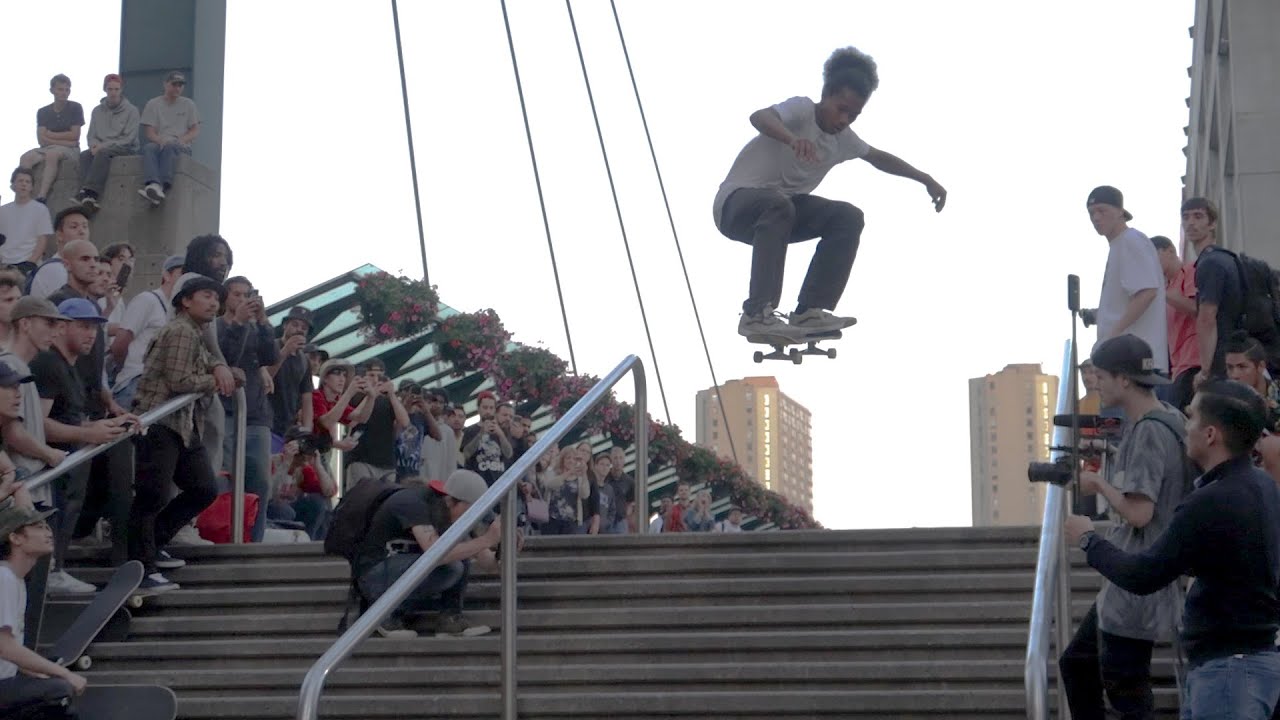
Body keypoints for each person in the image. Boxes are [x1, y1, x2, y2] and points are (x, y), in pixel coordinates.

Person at [1065, 379, 1280, 719]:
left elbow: (1142, 576)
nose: (1184, 426)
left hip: (1228, 674)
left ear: (1210, 434)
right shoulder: (1262, 485)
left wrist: (1088, 540)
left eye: (1190, 417)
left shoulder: (1210, 500)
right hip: (1247, 665)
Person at [713, 46, 946, 340]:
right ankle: (757, 314)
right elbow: (759, 117)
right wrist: (791, 138)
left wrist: (925, 179)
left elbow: (878, 158)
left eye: (854, 115)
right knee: (779, 204)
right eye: (841, 109)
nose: (845, 120)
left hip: (779, 217)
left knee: (847, 217)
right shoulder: (801, 110)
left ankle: (810, 311)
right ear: (826, 96)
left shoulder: (843, 141)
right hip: (734, 205)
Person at [1057, 334, 1192, 720]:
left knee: (1126, 689)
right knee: (1078, 663)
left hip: (1137, 575)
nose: (1094, 383)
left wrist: (1099, 485)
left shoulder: (1149, 429)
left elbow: (1140, 513)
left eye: (1100, 376)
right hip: (1141, 573)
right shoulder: (1169, 416)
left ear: (1124, 379)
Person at [353, 470, 499, 638]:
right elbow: (435, 554)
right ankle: (384, 614)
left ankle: (450, 619)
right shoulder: (413, 502)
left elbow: (488, 563)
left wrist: (503, 548)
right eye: (470, 510)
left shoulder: (448, 512)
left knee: (460, 552)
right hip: (373, 573)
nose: (472, 518)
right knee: (453, 561)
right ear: (451, 501)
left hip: (400, 570)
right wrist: (486, 540)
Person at [0, 502, 87, 716]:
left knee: (62, 700)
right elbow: (4, 647)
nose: (48, 532)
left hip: (6, 680)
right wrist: (64, 674)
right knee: (58, 691)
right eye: (38, 527)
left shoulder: (16, 580)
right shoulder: (4, 578)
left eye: (47, 527)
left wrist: (41, 671)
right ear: (15, 538)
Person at [138, 71, 200, 206]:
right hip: (160, 142)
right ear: (165, 84)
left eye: (180, 85)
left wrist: (181, 140)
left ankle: (161, 186)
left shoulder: (189, 104)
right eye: (174, 84)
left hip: (181, 145)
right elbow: (149, 132)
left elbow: (195, 130)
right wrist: (160, 140)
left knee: (171, 146)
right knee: (148, 148)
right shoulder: (153, 104)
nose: (177, 88)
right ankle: (153, 184)